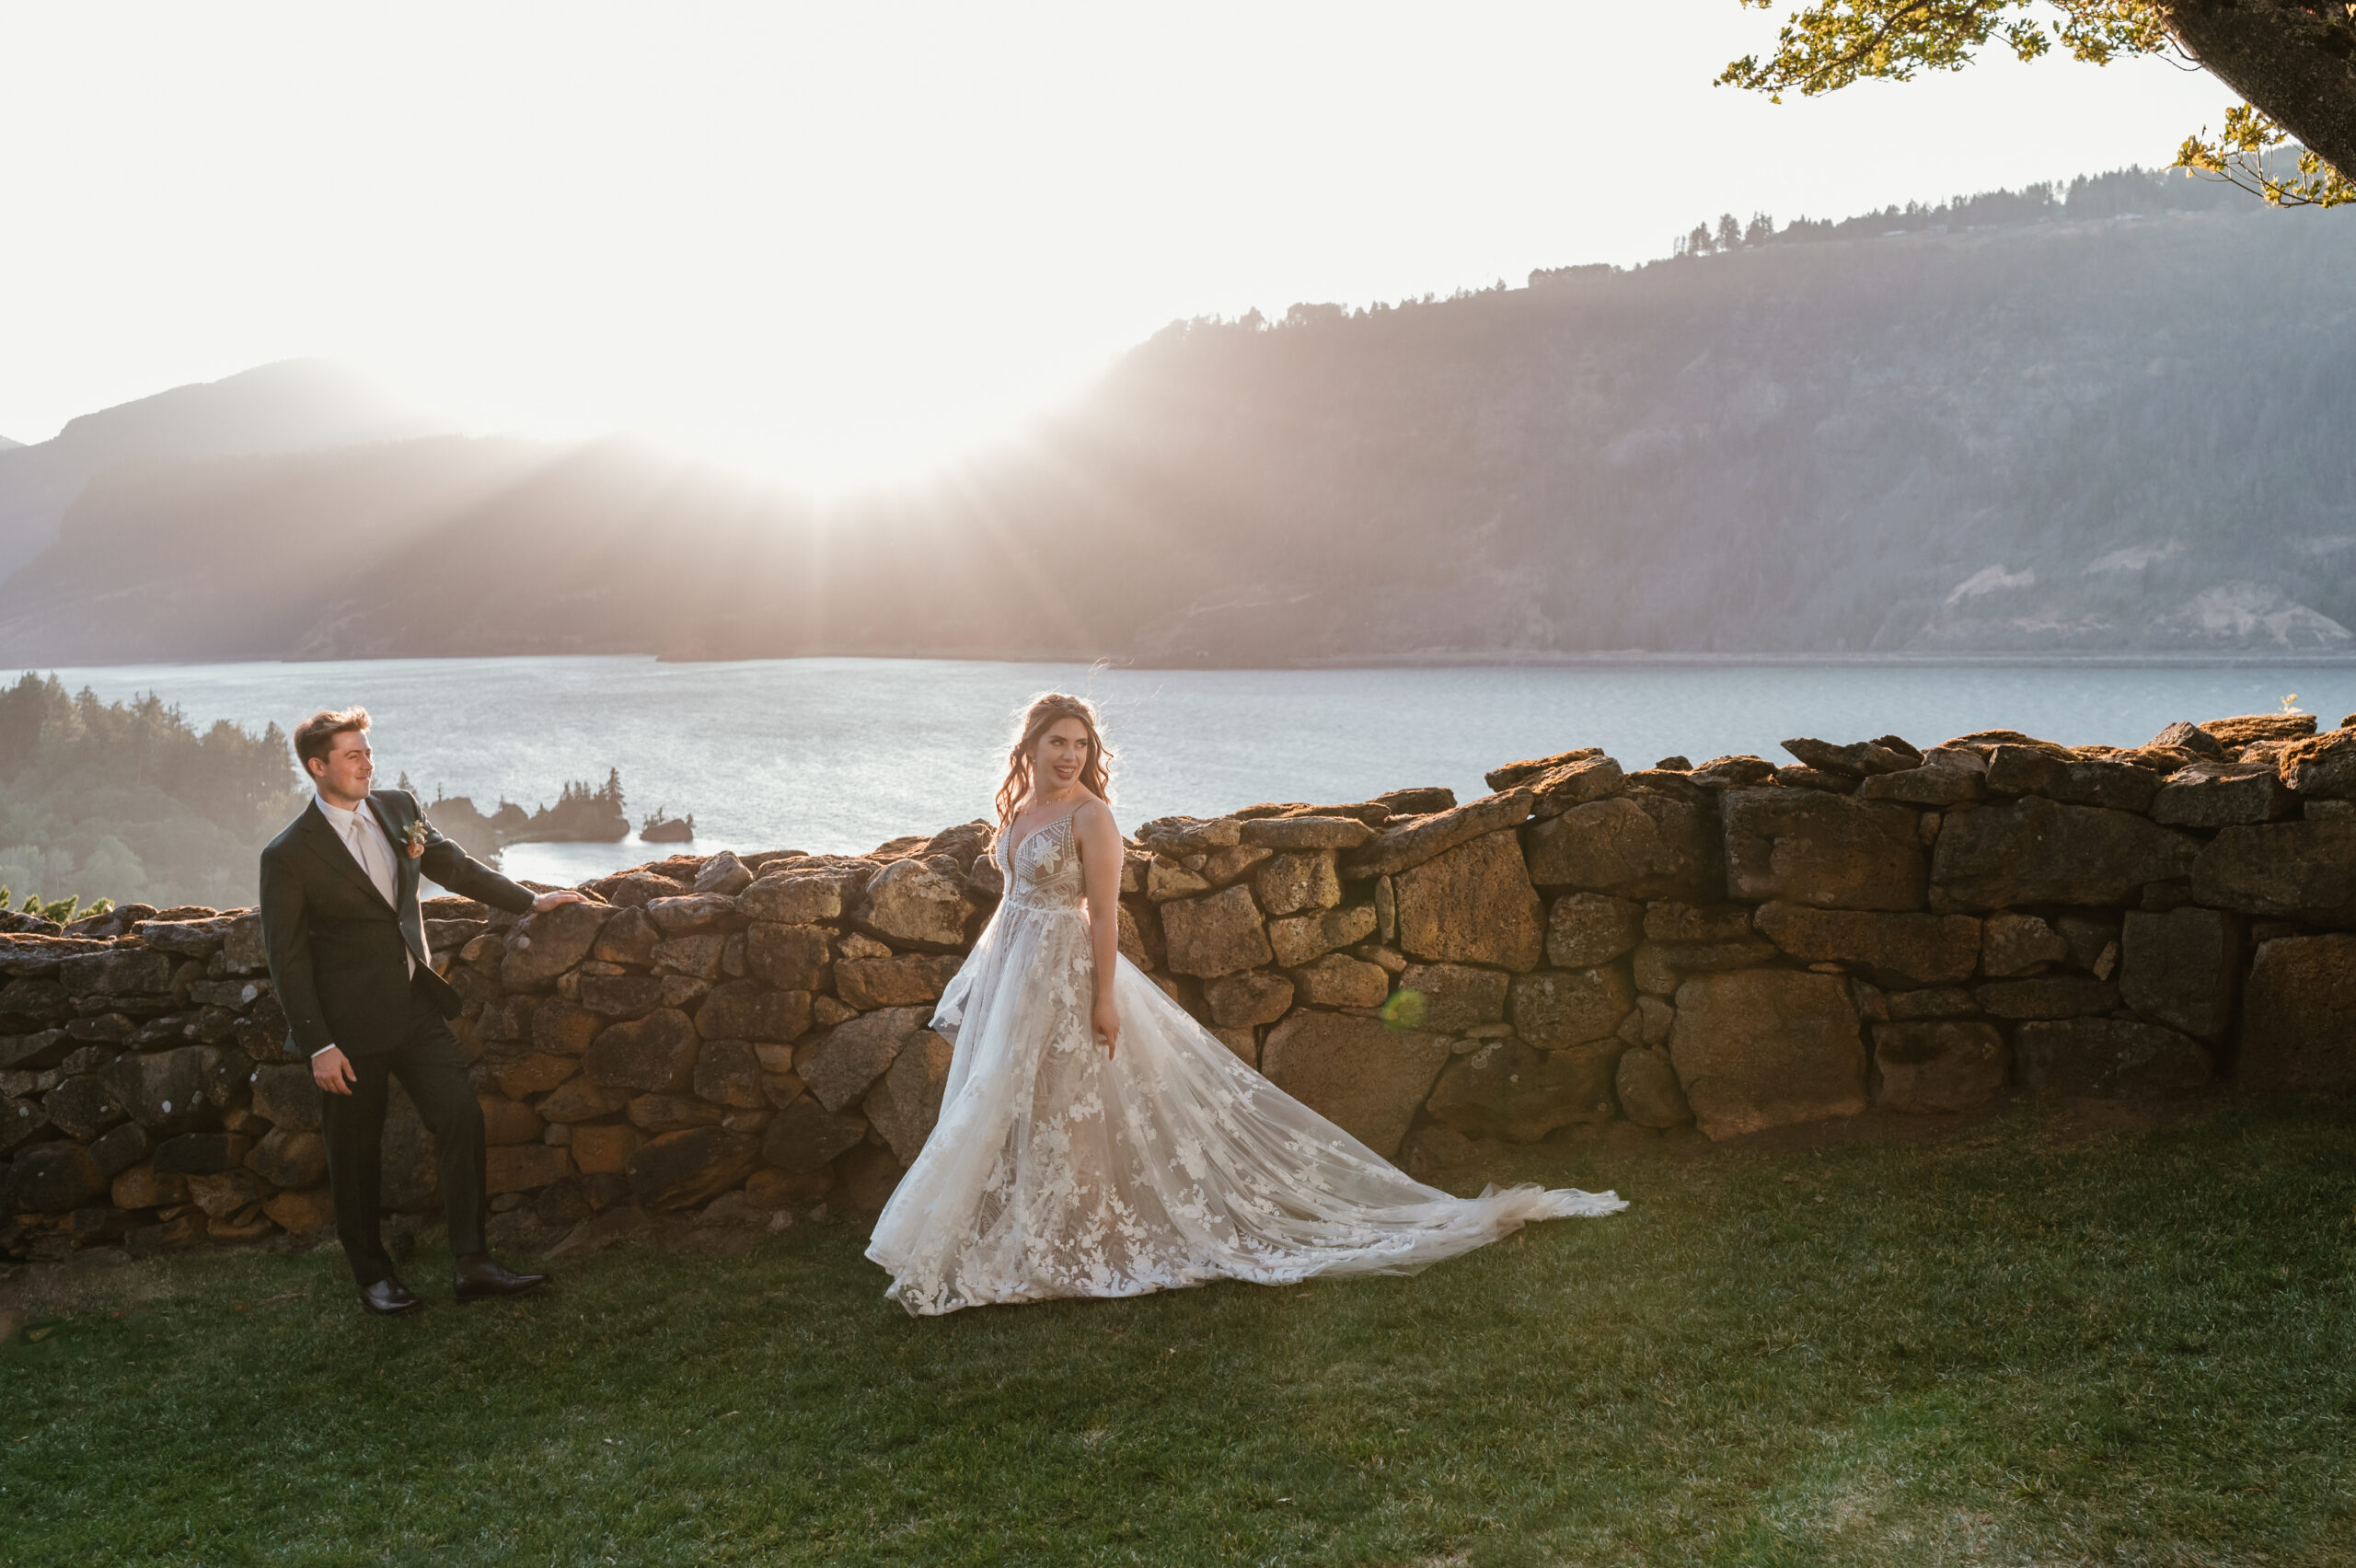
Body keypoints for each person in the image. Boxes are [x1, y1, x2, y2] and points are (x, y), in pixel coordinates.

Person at [866, 693, 1625, 1316]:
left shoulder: (1091, 818)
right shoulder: (1020, 814)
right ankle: (1024, 1230)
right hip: (1017, 976)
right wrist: (991, 977)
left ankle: (1081, 1242)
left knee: (1075, 1102)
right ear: (1028, 746)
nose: (1069, 756)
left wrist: (1103, 999)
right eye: (1057, 742)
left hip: (1069, 975)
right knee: (1008, 1099)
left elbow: (1102, 915)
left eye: (1080, 745)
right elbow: (1013, 902)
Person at [259, 708, 586, 1316]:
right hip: (346, 1030)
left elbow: (452, 866)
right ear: (318, 766)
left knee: (461, 1116)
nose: (366, 762)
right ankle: (373, 1276)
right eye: (352, 755)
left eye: (367, 751)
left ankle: (472, 1263)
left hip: (415, 1007)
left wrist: (530, 901)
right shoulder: (288, 856)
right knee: (355, 1154)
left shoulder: (398, 809)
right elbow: (288, 959)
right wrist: (318, 1045)